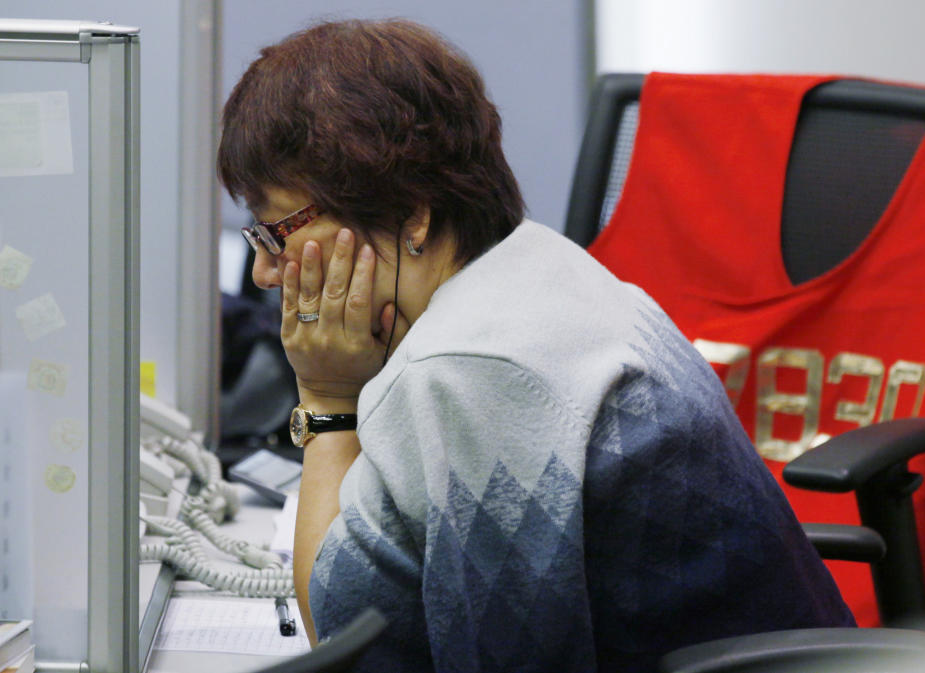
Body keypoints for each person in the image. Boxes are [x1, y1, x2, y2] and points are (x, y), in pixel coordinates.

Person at [217, 18, 854, 672]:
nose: (266, 272)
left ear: (411, 212)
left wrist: (327, 398)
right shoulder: (535, 265)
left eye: (276, 231)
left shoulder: (477, 368)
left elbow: (346, 644)